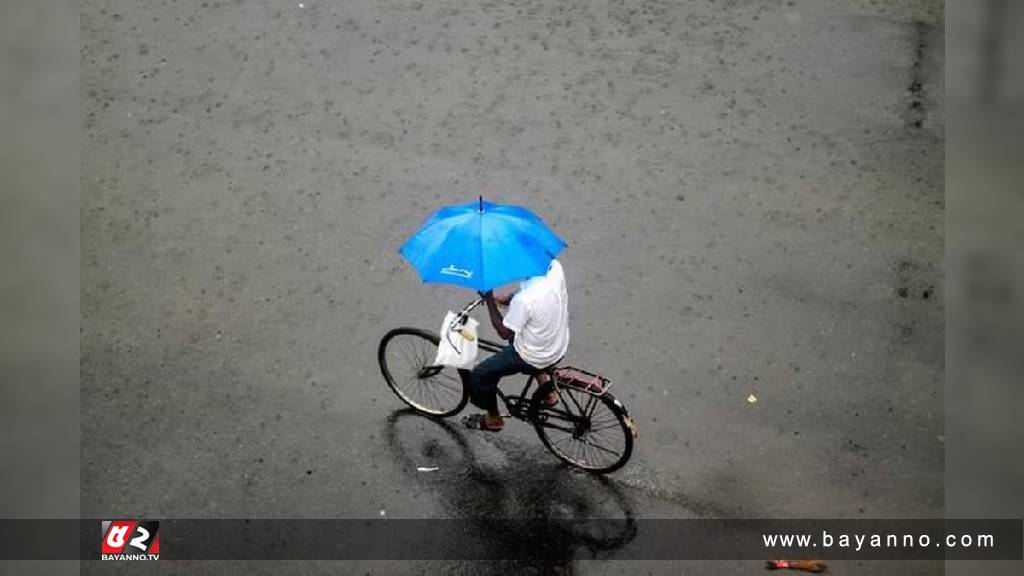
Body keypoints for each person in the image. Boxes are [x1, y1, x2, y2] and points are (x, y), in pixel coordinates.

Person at [461, 259, 570, 431]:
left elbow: (504, 332)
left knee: (481, 374)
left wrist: (489, 298)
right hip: (557, 341)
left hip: (534, 355)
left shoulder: (524, 300)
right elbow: (530, 293)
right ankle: (548, 393)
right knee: (522, 332)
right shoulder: (555, 267)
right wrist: (508, 298)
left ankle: (494, 419)